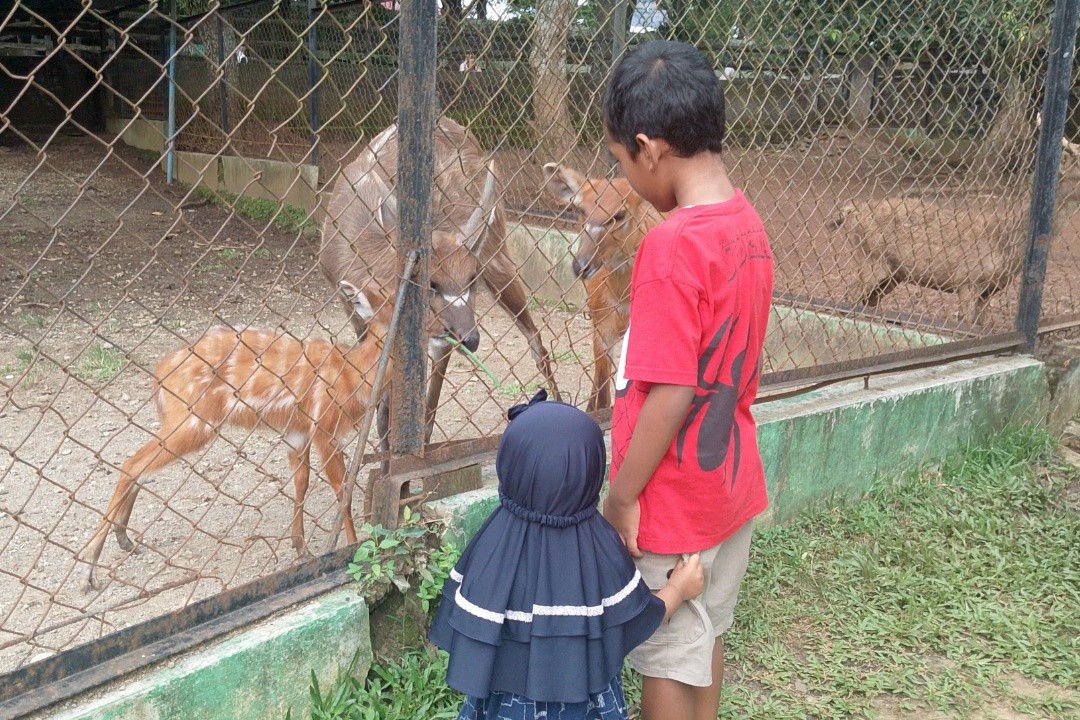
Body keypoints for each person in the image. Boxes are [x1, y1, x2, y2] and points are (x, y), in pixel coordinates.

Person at [599, 40, 775, 720]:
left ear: (648, 148)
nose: (626, 173)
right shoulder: (746, 223)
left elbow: (672, 389)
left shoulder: (672, 246)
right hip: (729, 486)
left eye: (620, 161)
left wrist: (621, 497)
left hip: (671, 500)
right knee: (707, 633)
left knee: (668, 648)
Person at [429, 390, 705, 720]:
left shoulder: (491, 539)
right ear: (590, 470)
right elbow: (635, 619)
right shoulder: (600, 544)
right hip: (580, 705)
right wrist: (679, 589)